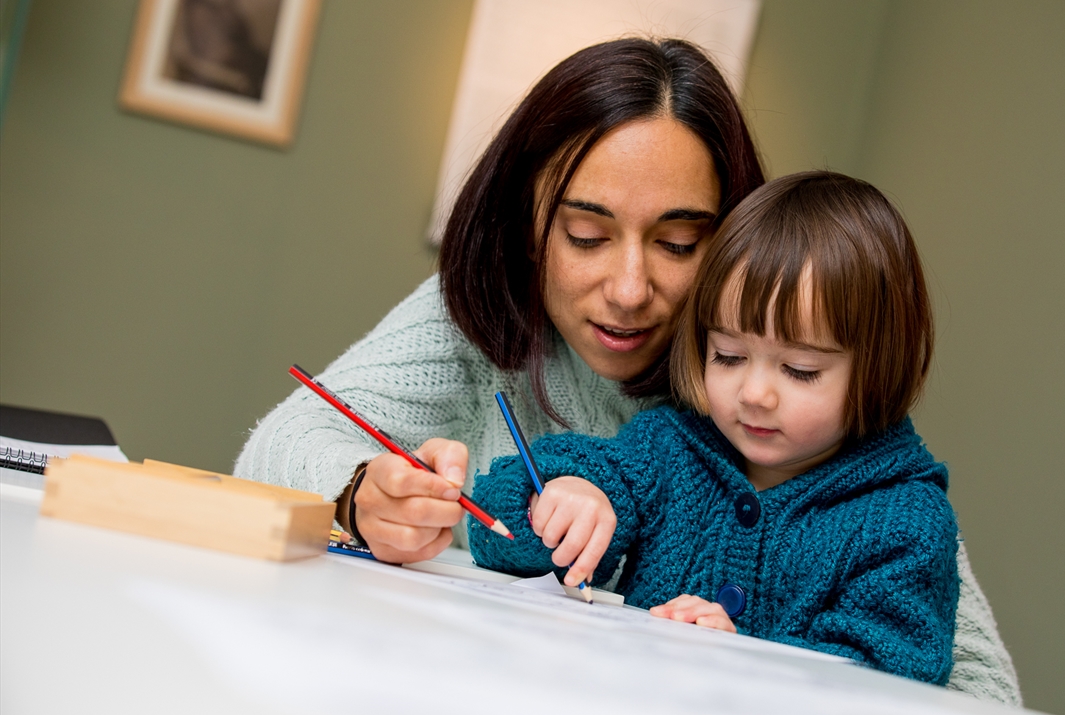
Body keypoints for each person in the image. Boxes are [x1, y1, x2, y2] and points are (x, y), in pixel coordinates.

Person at [234, 38, 1020, 704]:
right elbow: (278, 448)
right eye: (586, 234)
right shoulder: (486, 314)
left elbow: (980, 684)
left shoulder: (821, 434)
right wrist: (364, 495)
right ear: (529, 225)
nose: (631, 289)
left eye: (680, 245)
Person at [468, 171, 957, 683]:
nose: (753, 394)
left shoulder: (907, 521)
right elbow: (497, 535)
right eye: (728, 355)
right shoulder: (671, 450)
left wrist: (743, 657)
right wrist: (557, 499)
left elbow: (893, 681)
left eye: (800, 369)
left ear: (880, 367)